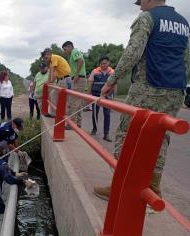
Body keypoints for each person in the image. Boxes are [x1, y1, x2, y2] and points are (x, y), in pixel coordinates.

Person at [94, 0, 189, 200]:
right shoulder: (182, 22)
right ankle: (153, 188)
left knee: (126, 133)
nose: (139, 6)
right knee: (160, 136)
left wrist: (111, 81)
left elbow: (133, 53)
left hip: (148, 87)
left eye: (140, 2)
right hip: (176, 89)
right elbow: (185, 59)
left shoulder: (147, 18)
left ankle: (119, 187)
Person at [88, 56, 116, 142]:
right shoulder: (95, 71)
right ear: (99, 64)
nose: (103, 65)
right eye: (102, 63)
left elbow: (114, 85)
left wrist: (111, 95)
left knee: (107, 114)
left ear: (109, 63)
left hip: (107, 96)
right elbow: (90, 82)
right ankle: (94, 129)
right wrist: (89, 94)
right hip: (95, 94)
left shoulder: (113, 72)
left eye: (105, 63)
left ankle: (106, 134)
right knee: (94, 113)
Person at [62, 41, 87, 128]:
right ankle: (78, 124)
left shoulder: (74, 51)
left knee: (73, 102)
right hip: (79, 79)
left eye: (65, 49)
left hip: (78, 79)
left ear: (69, 47)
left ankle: (71, 124)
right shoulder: (74, 53)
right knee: (77, 102)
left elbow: (81, 61)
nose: (64, 52)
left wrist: (76, 74)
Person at [42, 48, 71, 117]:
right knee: (53, 95)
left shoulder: (54, 57)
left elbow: (53, 70)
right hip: (61, 79)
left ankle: (64, 117)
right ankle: (54, 114)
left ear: (50, 55)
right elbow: (53, 73)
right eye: (44, 59)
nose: (46, 60)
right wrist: (49, 81)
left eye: (46, 58)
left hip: (66, 79)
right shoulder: (52, 62)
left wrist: (50, 81)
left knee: (64, 99)